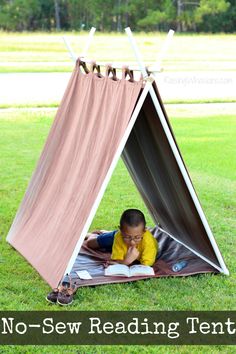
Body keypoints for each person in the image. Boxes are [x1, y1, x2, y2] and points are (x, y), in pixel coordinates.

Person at [86, 209, 158, 266]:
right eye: (127, 237)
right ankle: (92, 235)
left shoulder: (148, 242)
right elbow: (116, 260)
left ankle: (106, 233)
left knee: (109, 247)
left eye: (137, 237)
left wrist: (125, 261)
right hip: (114, 239)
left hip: (123, 244)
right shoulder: (119, 236)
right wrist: (126, 261)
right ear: (120, 230)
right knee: (91, 243)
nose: (132, 242)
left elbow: (146, 265)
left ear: (144, 231)